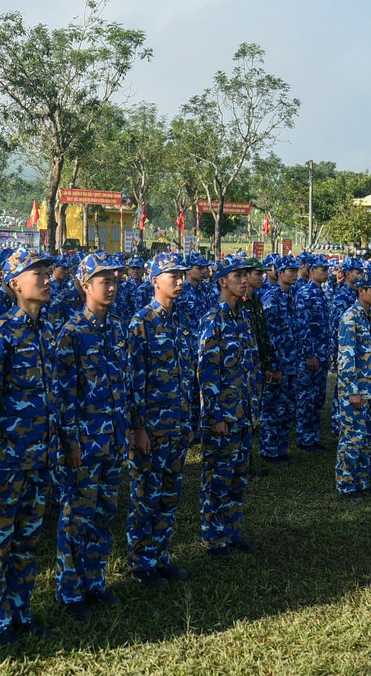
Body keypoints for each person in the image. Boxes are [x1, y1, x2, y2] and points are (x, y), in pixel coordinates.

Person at [0, 247, 59, 646]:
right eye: (36, 273)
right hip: (5, 459)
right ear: (15, 283)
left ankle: (21, 610)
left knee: (28, 539)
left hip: (39, 456)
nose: (46, 278)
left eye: (46, 271)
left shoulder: (47, 330)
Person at [53, 253, 129, 619]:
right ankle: (70, 591)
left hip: (112, 439)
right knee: (76, 518)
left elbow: (124, 384)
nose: (111, 288)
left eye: (114, 281)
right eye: (104, 282)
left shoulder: (118, 329)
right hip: (83, 443)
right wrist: (71, 443)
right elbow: (64, 395)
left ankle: (95, 582)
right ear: (85, 286)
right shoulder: (71, 333)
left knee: (103, 513)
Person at [125, 250, 193, 588]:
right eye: (173, 276)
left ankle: (160, 555)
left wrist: (188, 419)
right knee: (146, 497)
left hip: (177, 424)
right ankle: (140, 563)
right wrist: (137, 427)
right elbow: (133, 380)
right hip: (152, 428)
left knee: (169, 495)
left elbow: (185, 375)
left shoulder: (179, 320)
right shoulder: (141, 323)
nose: (180, 282)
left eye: (181, 276)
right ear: (155, 281)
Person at [196, 255, 260, 557]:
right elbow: (207, 373)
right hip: (223, 415)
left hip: (243, 413)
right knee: (217, 479)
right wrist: (215, 416)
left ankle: (232, 532)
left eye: (246, 275)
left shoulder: (244, 318)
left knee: (238, 478)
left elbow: (251, 366)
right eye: (238, 276)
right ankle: (213, 538)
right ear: (222, 281)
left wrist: (254, 410)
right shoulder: (213, 320)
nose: (244, 280)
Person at [335, 268, 371, 499]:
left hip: (370, 388)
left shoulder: (369, 316)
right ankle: (346, 484)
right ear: (361, 291)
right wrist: (353, 392)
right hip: (355, 391)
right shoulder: (350, 318)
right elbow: (346, 359)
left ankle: (362, 480)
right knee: (352, 439)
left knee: (368, 438)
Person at [258, 256, 301, 463]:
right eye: (290, 271)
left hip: (291, 362)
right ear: (280, 273)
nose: (294, 274)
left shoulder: (290, 296)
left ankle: (281, 449)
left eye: (296, 271)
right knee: (273, 407)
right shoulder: (271, 298)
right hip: (278, 364)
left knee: (287, 407)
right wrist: (274, 366)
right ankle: (269, 450)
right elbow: (269, 336)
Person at [295, 255, 333, 451]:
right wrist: (309, 354)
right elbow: (303, 326)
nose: (327, 272)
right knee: (307, 398)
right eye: (322, 269)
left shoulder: (320, 292)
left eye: (327, 269)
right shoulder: (305, 294)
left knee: (318, 397)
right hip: (310, 356)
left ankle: (313, 436)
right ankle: (304, 438)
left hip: (322, 354)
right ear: (311, 271)